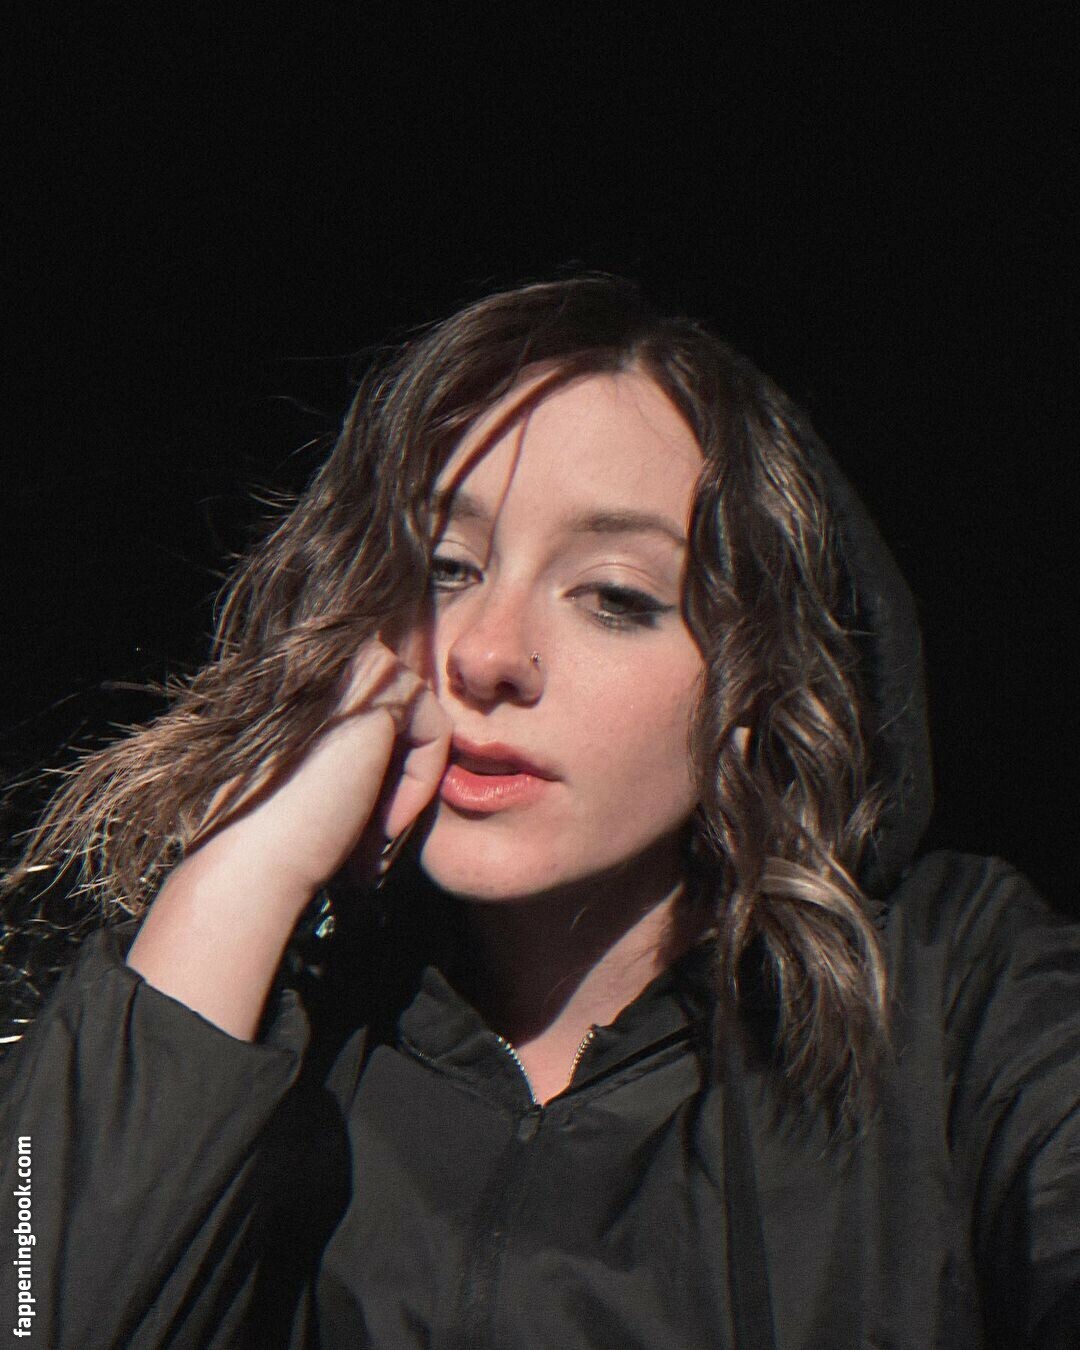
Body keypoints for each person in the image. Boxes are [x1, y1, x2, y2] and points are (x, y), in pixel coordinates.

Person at [1, 276, 1077, 1349]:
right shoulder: (275, 1019)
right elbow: (31, 1304)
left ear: (756, 686)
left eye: (615, 595)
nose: (485, 653)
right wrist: (248, 867)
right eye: (446, 568)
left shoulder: (954, 993)